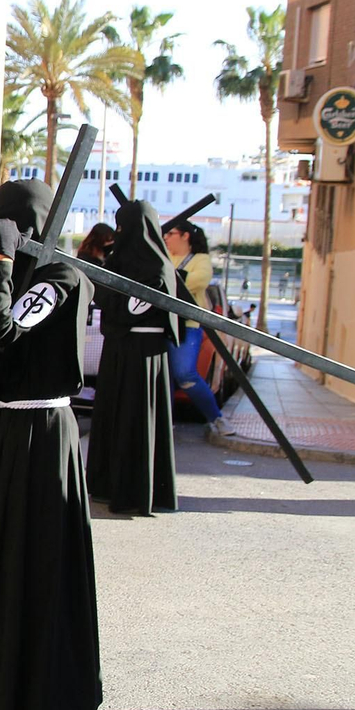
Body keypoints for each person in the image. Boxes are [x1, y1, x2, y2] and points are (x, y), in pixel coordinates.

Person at [0, 178, 101, 710]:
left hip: (44, 433)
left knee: (41, 559)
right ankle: (1, 680)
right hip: (14, 430)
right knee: (8, 554)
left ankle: (49, 700)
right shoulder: (18, 273)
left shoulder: (60, 277)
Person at [86, 199, 178, 515]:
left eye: (123, 227)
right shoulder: (134, 261)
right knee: (116, 418)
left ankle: (134, 491)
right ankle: (108, 485)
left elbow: (130, 309)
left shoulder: (155, 267)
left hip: (142, 354)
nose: (119, 233)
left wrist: (113, 303)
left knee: (135, 421)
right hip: (122, 351)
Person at [164, 221, 233, 435]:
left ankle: (217, 418)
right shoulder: (164, 255)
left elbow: (197, 281)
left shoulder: (201, 260)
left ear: (185, 236)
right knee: (162, 378)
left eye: (171, 233)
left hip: (187, 325)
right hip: (162, 322)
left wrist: (166, 278)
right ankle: (163, 423)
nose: (166, 237)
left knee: (185, 374)